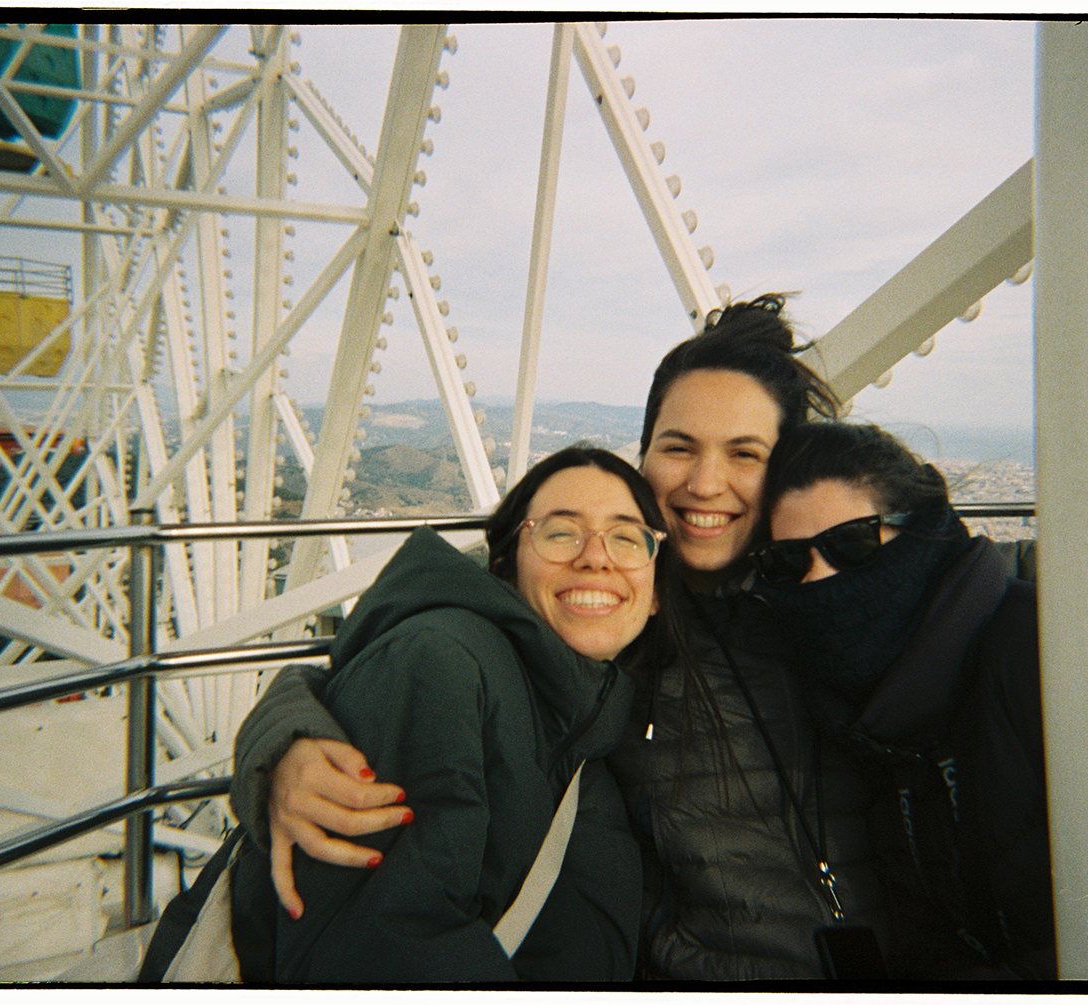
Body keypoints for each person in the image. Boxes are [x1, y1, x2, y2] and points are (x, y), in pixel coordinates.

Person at [232, 295, 1043, 979]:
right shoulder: (612, 602)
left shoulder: (835, 598)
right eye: (678, 446)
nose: (703, 482)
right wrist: (286, 738)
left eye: (746, 453)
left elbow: (979, 599)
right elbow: (437, 621)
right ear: (644, 452)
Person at [229, 446, 678, 983]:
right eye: (560, 533)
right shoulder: (442, 662)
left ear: (655, 591)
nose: (595, 557)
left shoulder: (586, 717)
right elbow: (387, 948)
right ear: (504, 567)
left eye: (627, 537)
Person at [748, 420, 1055, 980]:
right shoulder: (868, 726)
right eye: (788, 563)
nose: (819, 582)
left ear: (917, 531)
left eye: (852, 544)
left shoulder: (1037, 650)